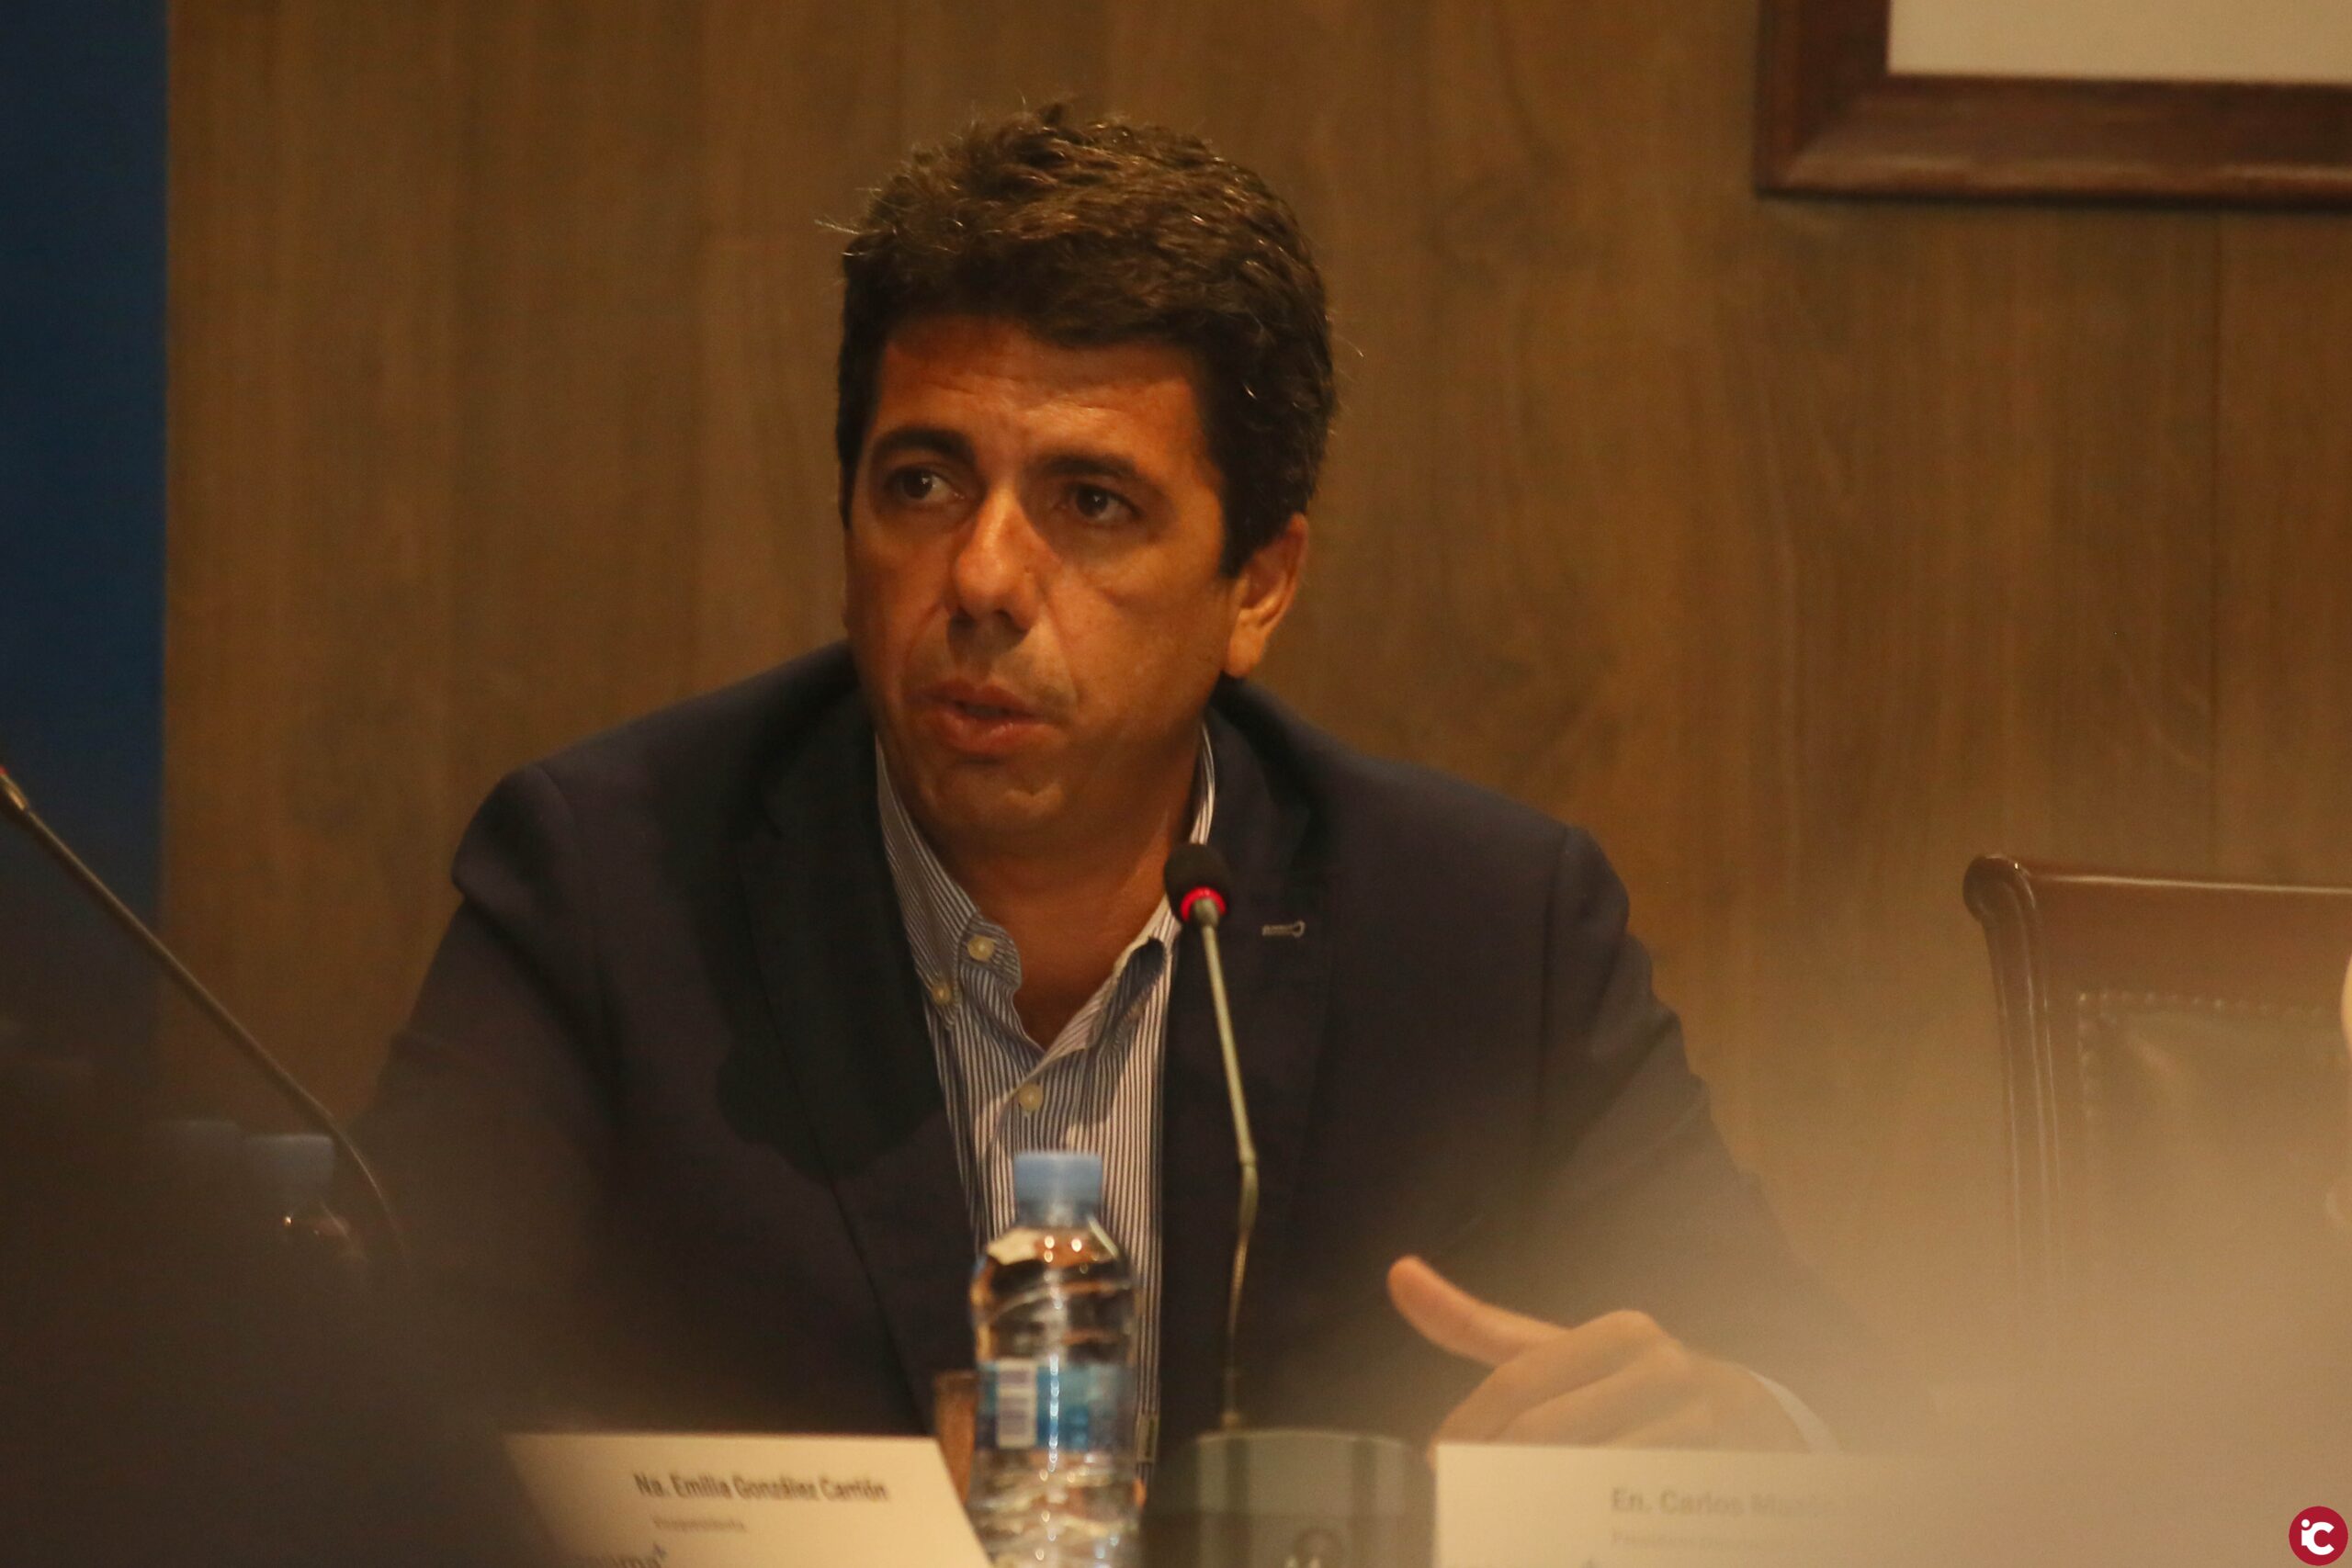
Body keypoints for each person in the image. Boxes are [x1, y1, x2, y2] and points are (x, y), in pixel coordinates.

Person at [359, 106, 1919, 1460]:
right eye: (923, 482)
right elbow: (377, 1408)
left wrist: (1740, 1425)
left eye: (1092, 502)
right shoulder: (609, 886)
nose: (982, 577)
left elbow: (1828, 1400)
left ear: (1258, 586)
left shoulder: (1485, 932)